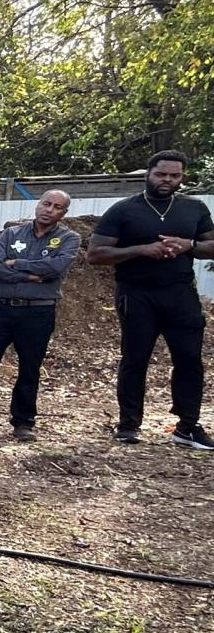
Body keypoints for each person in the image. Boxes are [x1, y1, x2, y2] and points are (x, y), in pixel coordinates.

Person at [88, 150, 214, 449]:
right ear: (148, 173)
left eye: (174, 176)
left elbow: (211, 246)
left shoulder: (193, 208)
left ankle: (187, 426)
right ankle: (128, 424)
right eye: (161, 174)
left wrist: (189, 245)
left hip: (181, 292)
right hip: (137, 293)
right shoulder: (124, 210)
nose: (167, 180)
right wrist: (141, 250)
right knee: (135, 358)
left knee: (189, 359)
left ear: (182, 177)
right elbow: (95, 254)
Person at [0, 190, 77, 440]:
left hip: (39, 311)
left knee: (30, 367)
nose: (49, 209)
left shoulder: (69, 238)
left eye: (56, 207)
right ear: (38, 205)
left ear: (63, 213)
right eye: (46, 204)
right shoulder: (12, 233)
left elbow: (55, 267)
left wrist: (16, 264)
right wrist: (33, 276)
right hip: (3, 308)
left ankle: (23, 422)